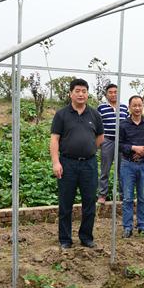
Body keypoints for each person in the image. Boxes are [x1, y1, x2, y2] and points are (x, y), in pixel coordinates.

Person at [50, 78, 104, 249]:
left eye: (84, 91)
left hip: (89, 164)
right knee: (65, 203)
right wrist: (56, 162)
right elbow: (54, 139)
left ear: (87, 94)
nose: (81, 94)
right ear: (70, 94)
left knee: (89, 202)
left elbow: (100, 138)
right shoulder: (62, 114)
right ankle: (65, 239)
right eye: (77, 91)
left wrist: (88, 150)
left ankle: (86, 237)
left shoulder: (94, 115)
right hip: (67, 164)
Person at [119, 95, 144, 238]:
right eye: (134, 105)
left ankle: (142, 226)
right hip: (128, 165)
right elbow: (119, 144)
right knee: (127, 198)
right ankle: (127, 227)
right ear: (129, 107)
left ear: (143, 106)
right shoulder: (123, 124)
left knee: (143, 197)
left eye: (139, 105)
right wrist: (133, 148)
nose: (137, 108)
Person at [97, 83, 128, 204]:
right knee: (105, 169)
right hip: (107, 141)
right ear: (106, 94)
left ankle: (123, 195)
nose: (113, 94)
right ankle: (102, 195)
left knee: (122, 170)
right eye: (110, 92)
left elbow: (128, 125)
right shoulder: (101, 108)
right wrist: (99, 141)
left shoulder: (124, 108)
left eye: (115, 92)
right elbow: (98, 125)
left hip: (122, 142)